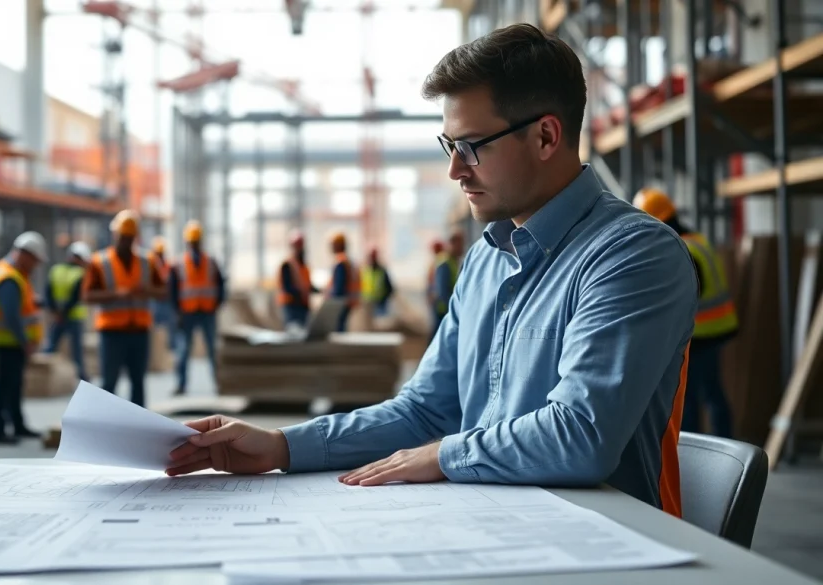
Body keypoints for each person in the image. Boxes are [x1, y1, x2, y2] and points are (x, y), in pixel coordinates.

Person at [164, 23, 699, 520]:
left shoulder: (632, 256)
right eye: (449, 146)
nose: (454, 170)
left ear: (545, 137)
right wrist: (282, 446)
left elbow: (580, 436)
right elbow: (424, 413)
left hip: (604, 546)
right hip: (490, 524)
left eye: (470, 147)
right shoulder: (489, 258)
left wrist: (444, 455)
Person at [633, 187, 739, 438]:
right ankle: (724, 445)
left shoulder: (682, 250)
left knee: (687, 398)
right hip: (717, 327)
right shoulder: (696, 239)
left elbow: (686, 296)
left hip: (700, 333)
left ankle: (695, 453)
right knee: (712, 392)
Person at [83, 210, 166, 406]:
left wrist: (148, 290)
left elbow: (163, 291)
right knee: (109, 382)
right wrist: (116, 294)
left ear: (135, 237)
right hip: (112, 332)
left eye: (130, 237)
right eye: (123, 236)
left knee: (138, 383)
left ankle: (137, 428)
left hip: (139, 331)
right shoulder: (99, 262)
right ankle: (106, 426)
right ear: (115, 235)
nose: (126, 241)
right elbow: (87, 296)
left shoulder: (148, 261)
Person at [0, 231, 47, 445]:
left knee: (14, 385)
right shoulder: (8, 277)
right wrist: (25, 340)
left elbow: (18, 307)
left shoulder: (15, 274)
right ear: (25, 254)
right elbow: (10, 315)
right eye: (35, 260)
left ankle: (17, 425)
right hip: (8, 342)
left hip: (12, 342)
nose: (35, 265)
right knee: (4, 387)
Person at [170, 220, 225, 396]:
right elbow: (172, 290)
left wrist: (216, 305)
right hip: (187, 312)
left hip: (207, 311)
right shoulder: (178, 264)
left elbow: (220, 286)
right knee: (183, 349)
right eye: (192, 242)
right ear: (187, 242)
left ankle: (219, 383)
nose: (194, 245)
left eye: (196, 241)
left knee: (212, 349)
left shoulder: (211, 262)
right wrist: (177, 312)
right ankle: (181, 384)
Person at [44, 241, 91, 382]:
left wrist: (55, 312)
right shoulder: (81, 273)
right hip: (73, 317)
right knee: (76, 351)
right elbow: (75, 297)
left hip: (58, 317)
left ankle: (44, 372)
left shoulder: (55, 270)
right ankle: (82, 377)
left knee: (51, 346)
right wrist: (63, 313)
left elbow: (48, 293)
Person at [277, 230, 317, 328]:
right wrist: (301, 292)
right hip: (291, 306)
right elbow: (287, 287)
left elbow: (307, 284)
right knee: (294, 333)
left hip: (303, 306)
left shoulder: (304, 266)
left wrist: (317, 290)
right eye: (297, 245)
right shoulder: (287, 265)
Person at [430, 231, 466, 339]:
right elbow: (442, 291)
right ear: (452, 244)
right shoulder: (445, 263)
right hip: (443, 310)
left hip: (448, 309)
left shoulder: (455, 261)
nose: (462, 248)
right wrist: (454, 310)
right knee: (439, 340)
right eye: (460, 245)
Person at [327, 231, 360, 332]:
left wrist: (330, 299)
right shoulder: (348, 261)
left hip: (340, 302)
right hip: (348, 301)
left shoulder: (340, 262)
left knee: (338, 329)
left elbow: (339, 287)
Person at [361, 246, 394, 318]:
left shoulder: (382, 271)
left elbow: (390, 288)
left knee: (381, 323)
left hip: (380, 303)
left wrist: (384, 298)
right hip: (368, 303)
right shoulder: (366, 271)